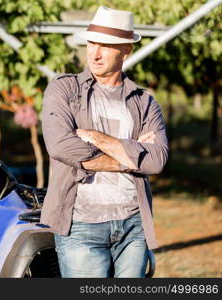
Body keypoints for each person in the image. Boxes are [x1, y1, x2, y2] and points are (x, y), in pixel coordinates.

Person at [41, 6, 169, 278]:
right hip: (80, 224)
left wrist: (98, 138)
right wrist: (131, 159)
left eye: (106, 46)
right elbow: (61, 146)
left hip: (133, 224)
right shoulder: (65, 89)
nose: (95, 53)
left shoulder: (144, 102)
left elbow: (156, 161)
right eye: (91, 43)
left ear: (126, 50)